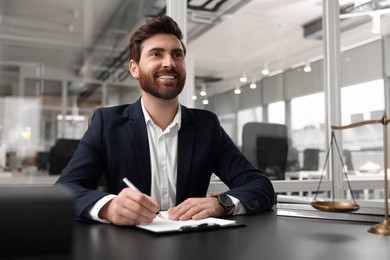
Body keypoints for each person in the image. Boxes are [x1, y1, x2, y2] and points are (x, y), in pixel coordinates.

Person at [55, 15, 275, 226]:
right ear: (134, 68)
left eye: (177, 55)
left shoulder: (206, 126)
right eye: (156, 54)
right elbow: (65, 189)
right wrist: (109, 207)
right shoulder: (107, 123)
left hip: (193, 244)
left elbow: (260, 185)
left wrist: (221, 203)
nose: (169, 62)